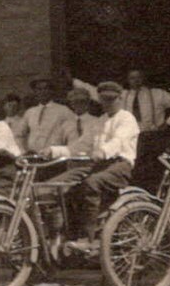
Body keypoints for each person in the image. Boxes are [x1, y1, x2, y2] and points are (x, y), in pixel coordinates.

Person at [47, 82, 137, 250]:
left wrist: (102, 152)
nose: (107, 103)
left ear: (120, 98)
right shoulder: (100, 121)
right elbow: (80, 145)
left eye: (111, 99)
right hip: (98, 165)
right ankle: (68, 237)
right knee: (61, 186)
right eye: (103, 99)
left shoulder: (127, 118)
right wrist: (53, 151)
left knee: (91, 184)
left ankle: (88, 237)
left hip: (120, 165)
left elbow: (119, 141)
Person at [15, 76, 74, 157]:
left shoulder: (63, 111)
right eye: (39, 89)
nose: (42, 92)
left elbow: (72, 135)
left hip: (54, 157)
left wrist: (60, 151)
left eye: (46, 88)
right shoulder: (30, 112)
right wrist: (23, 151)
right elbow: (18, 134)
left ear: (51, 91)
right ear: (35, 92)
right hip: (33, 158)